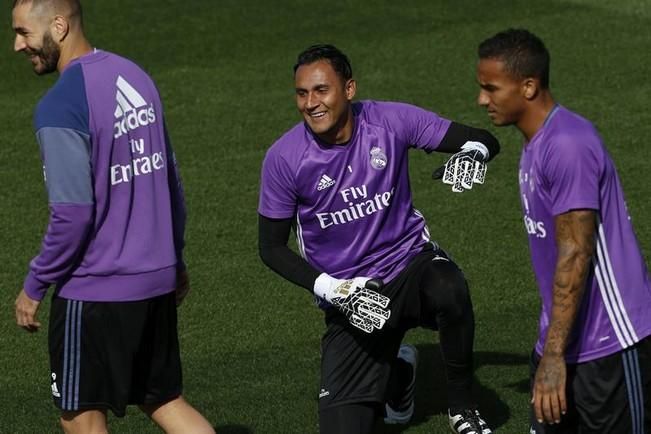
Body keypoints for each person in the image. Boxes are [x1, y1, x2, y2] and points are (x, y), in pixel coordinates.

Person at [258, 43, 499, 434]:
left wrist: (475, 154)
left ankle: (462, 406)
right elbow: (269, 248)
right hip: (351, 296)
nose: (310, 103)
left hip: (410, 266)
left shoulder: (390, 120)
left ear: (349, 89)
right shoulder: (285, 159)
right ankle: (398, 371)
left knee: (448, 287)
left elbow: (483, 138)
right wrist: (333, 290)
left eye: (321, 90)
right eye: (301, 93)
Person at [11, 1, 215, 433]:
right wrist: (174, 260)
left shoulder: (60, 105)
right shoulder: (135, 76)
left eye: (24, 33)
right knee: (164, 400)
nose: (16, 45)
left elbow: (72, 215)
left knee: (81, 419)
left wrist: (34, 285)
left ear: (60, 26)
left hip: (96, 290)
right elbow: (170, 182)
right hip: (154, 282)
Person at [476, 28, 651, 433]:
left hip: (609, 348)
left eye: (491, 88)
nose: (482, 99)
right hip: (561, 343)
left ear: (529, 86)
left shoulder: (568, 144)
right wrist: (550, 351)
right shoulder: (537, 142)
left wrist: (553, 356)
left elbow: (576, 254)